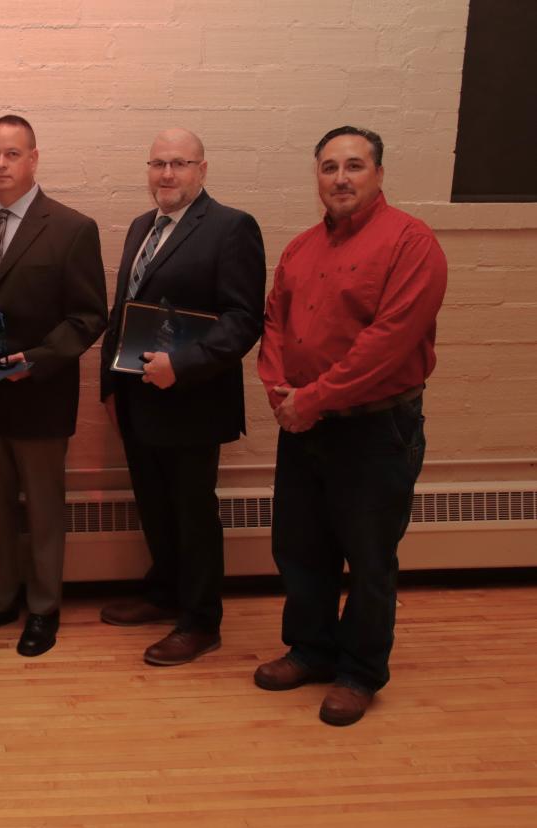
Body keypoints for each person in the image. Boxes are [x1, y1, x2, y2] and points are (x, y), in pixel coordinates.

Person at [255, 126, 447, 726]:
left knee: (368, 557)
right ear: (317, 176)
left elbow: (387, 344)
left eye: (355, 166)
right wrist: (280, 390)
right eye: (329, 167)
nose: (341, 178)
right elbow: (274, 325)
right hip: (303, 425)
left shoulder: (412, 243)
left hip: (375, 429)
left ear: (379, 174)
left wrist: (312, 398)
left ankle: (360, 672)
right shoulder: (300, 248)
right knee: (300, 548)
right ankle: (311, 649)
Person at [97, 129, 266, 666]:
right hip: (138, 396)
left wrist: (183, 366)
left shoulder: (231, 227)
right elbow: (125, 308)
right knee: (155, 506)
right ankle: (165, 592)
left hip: (192, 400)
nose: (167, 174)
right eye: (158, 164)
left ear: (202, 169)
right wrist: (109, 383)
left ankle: (200, 621)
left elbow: (244, 320)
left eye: (179, 163)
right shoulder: (142, 227)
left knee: (192, 512)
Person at [0, 115, 107, 657]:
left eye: (12, 154)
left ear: (34, 158)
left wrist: (35, 360)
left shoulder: (71, 227)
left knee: (42, 510)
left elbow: (89, 317)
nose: (0, 165)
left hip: (39, 395)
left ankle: (43, 609)